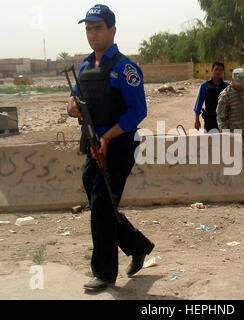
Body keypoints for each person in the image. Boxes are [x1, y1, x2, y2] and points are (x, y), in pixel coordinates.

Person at [67, 4, 155, 292]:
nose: (92, 35)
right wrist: (71, 106)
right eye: (88, 29)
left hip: (117, 146)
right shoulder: (84, 66)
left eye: (98, 28)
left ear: (112, 30)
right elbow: (75, 102)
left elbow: (137, 111)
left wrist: (108, 137)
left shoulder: (125, 67)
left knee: (102, 207)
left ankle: (104, 273)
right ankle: (137, 244)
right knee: (99, 202)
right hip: (94, 145)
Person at [194, 62, 229, 132]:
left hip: (224, 119)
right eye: (216, 69)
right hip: (210, 119)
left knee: (224, 141)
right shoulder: (205, 85)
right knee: (209, 141)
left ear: (223, 72)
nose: (218, 72)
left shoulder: (227, 86)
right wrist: (197, 120)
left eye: (220, 70)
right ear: (212, 70)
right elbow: (199, 102)